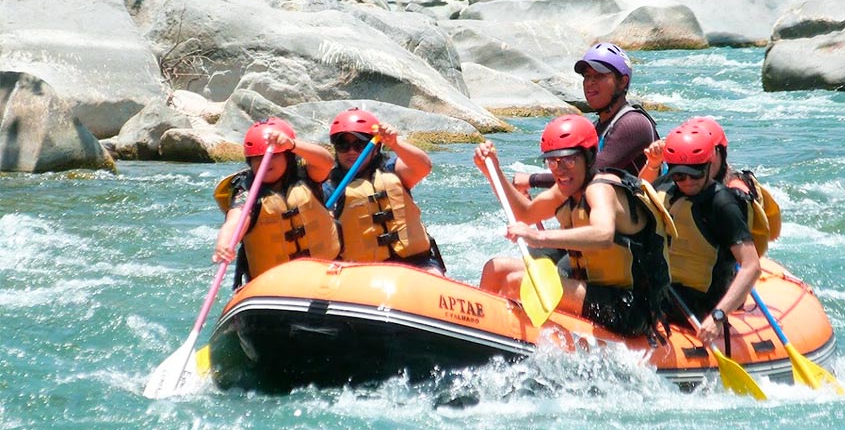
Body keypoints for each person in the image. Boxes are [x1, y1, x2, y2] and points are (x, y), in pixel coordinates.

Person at [475, 115, 671, 339]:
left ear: (588, 158)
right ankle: (481, 331)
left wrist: (538, 238)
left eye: (568, 160)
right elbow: (525, 214)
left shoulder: (601, 188)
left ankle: (539, 345)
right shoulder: (565, 190)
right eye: (552, 161)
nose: (559, 169)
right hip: (594, 291)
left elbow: (603, 234)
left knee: (515, 282)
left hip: (630, 305)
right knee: (496, 268)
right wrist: (492, 171)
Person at [641, 123, 761, 346]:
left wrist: (718, 316)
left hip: (699, 302)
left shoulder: (722, 203)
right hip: (665, 289)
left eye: (694, 175)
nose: (687, 182)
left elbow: (751, 266)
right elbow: (637, 202)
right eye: (680, 176)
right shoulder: (667, 187)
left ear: (708, 165)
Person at [511, 42, 658, 194]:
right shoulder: (596, 127)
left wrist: (532, 180)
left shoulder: (634, 124)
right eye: (587, 76)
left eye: (599, 75)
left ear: (622, 82)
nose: (590, 83)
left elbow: (593, 174)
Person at [213, 117, 341, 287]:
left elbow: (326, 161)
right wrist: (224, 243)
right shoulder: (247, 191)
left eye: (273, 156)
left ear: (288, 157)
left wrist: (293, 144)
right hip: (274, 284)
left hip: (326, 272)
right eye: (256, 158)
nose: (264, 162)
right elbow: (235, 220)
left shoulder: (306, 176)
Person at [324, 107, 445, 273]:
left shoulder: (392, 170)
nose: (351, 151)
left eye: (360, 144)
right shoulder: (330, 187)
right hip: (360, 271)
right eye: (343, 144)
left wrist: (395, 144)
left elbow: (423, 166)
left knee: (433, 277)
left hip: (417, 263)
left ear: (375, 147)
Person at [641, 116, 781, 256]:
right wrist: (653, 164)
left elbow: (764, 239)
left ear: (717, 153)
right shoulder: (680, 179)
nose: (696, 161)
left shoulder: (735, 190)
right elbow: (640, 195)